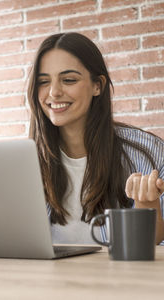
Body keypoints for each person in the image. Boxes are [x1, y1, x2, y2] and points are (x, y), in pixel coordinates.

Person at [27, 32, 164, 245]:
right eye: (43, 82)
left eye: (69, 80)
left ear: (97, 85)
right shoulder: (25, 161)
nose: (53, 92)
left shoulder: (147, 153)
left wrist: (147, 205)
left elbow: (156, 246)